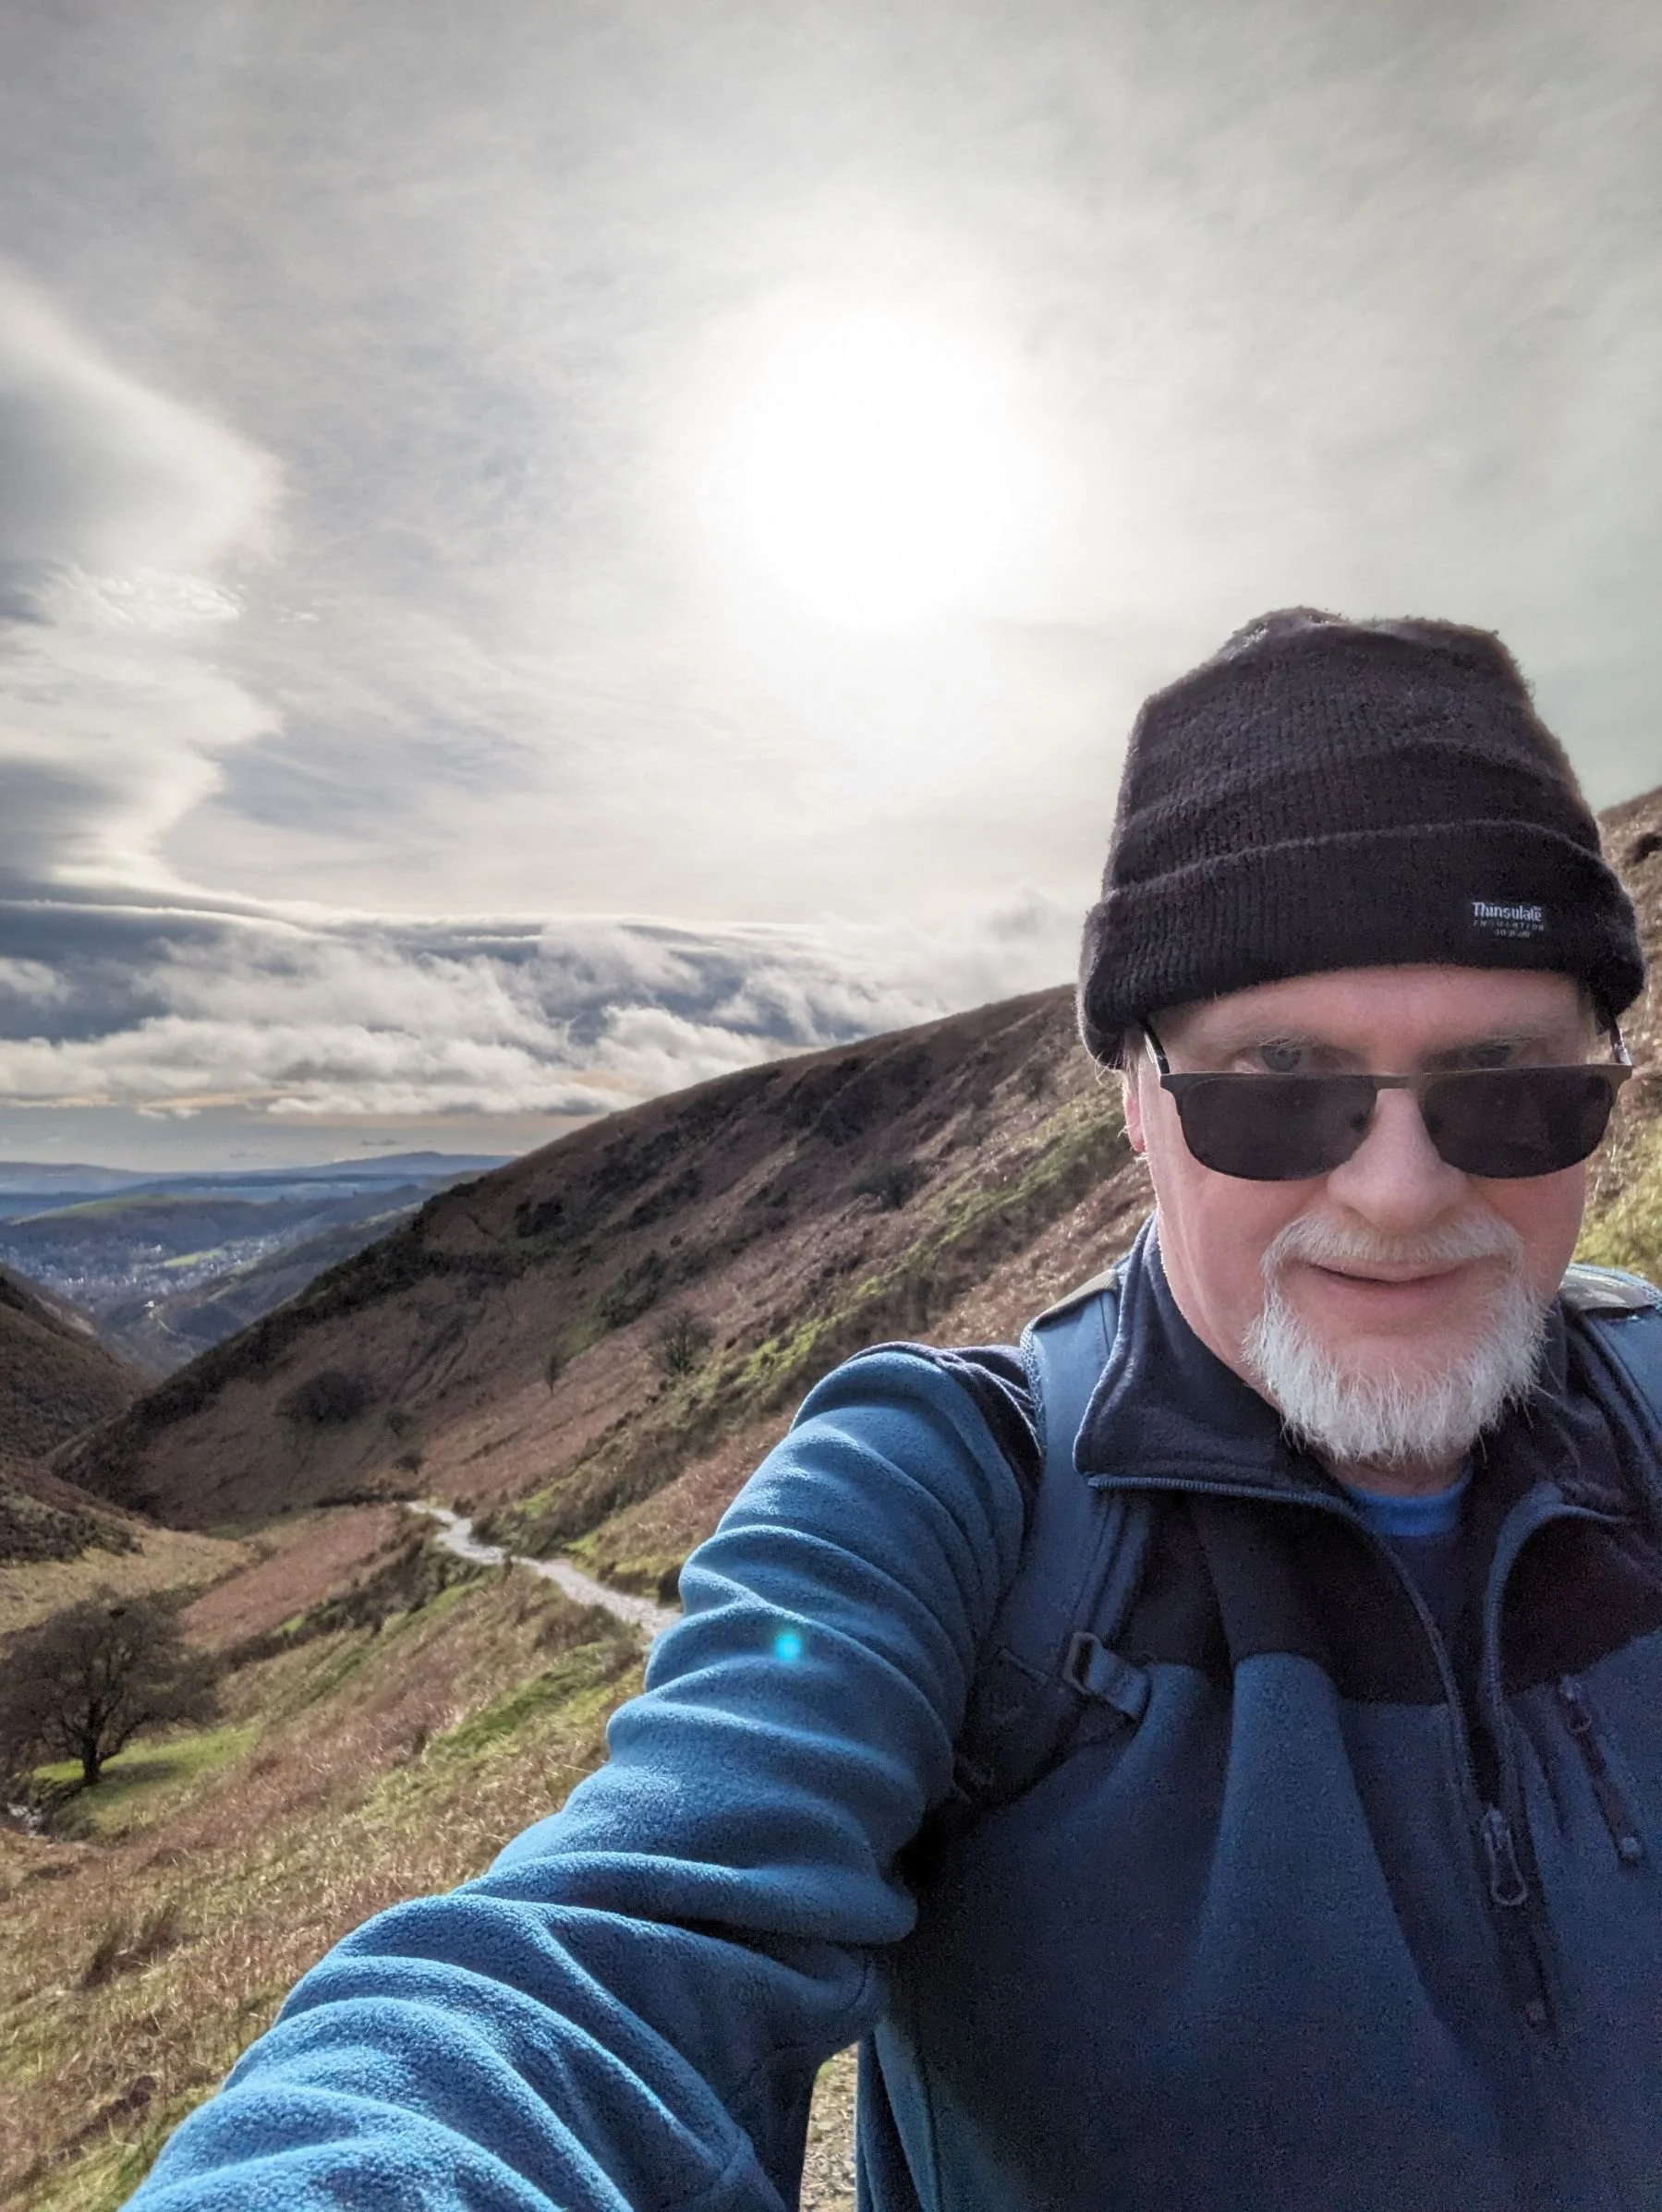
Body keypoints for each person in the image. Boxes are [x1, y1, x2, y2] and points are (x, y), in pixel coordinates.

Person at [127, 610, 1662, 2211]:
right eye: (1276, 1082)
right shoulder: (945, 1497)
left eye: (1507, 1080)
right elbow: (613, 1951)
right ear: (1138, 1103)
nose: (1401, 1192)